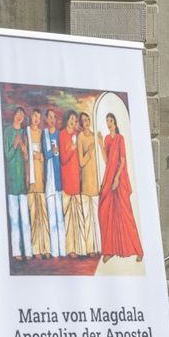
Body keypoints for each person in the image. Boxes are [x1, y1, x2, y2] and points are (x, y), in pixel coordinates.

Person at [98, 113, 144, 262]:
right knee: (105, 211)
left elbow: (122, 160)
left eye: (110, 120)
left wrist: (117, 178)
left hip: (119, 179)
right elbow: (107, 160)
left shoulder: (120, 138)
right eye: (107, 121)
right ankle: (109, 250)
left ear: (115, 122)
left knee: (125, 213)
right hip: (109, 176)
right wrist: (100, 144)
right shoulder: (106, 139)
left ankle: (138, 250)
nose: (108, 123)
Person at [4, 107, 31, 259]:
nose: (20, 116)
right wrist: (14, 145)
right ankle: (16, 252)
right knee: (14, 220)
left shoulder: (24, 133)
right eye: (18, 114)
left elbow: (27, 159)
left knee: (25, 219)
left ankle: (28, 251)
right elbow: (7, 157)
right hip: (12, 182)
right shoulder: (8, 132)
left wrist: (23, 148)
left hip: (22, 182)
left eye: (22, 114)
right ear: (14, 115)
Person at [59, 111, 86, 256]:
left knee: (79, 216)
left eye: (75, 120)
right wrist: (71, 149)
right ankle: (71, 249)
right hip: (67, 181)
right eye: (71, 119)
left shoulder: (76, 136)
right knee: (69, 217)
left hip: (76, 181)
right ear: (67, 120)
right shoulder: (63, 134)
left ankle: (81, 248)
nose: (73, 121)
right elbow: (63, 158)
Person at [26, 109, 51, 258]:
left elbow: (46, 154)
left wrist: (41, 156)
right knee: (34, 216)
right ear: (31, 117)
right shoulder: (26, 132)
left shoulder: (42, 134)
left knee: (43, 216)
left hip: (41, 180)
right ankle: (36, 250)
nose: (36, 119)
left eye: (38, 117)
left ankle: (46, 248)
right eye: (34, 116)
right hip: (31, 182)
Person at [42, 108, 67, 258]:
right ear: (46, 119)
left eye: (54, 117)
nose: (52, 119)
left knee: (60, 218)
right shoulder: (45, 135)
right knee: (52, 217)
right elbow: (46, 154)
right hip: (50, 181)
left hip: (60, 180)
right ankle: (54, 251)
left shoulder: (60, 135)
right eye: (49, 117)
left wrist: (56, 151)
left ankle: (62, 250)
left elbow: (62, 153)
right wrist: (53, 151)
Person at [78, 113, 103, 254]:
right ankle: (89, 249)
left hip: (96, 184)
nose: (86, 122)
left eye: (87, 119)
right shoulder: (81, 138)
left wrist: (99, 144)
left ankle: (100, 248)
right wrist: (90, 152)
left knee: (98, 218)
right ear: (81, 124)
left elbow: (104, 159)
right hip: (86, 184)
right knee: (87, 218)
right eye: (83, 121)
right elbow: (81, 162)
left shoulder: (96, 136)